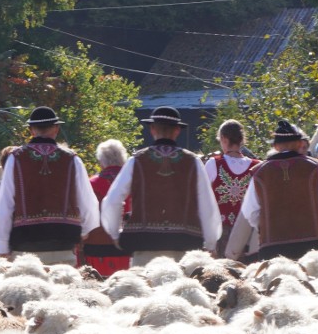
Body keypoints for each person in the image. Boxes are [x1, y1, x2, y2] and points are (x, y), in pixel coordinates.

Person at [101, 106, 221, 266]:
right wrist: (211, 243)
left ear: (152, 129)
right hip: (184, 249)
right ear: (177, 130)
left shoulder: (136, 161)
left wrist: (115, 233)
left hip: (144, 246)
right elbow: (207, 206)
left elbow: (113, 201)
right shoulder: (193, 162)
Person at [0, 106, 99, 265]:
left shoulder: (16, 158)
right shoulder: (72, 159)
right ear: (56, 129)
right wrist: (82, 232)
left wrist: (1, 245)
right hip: (63, 244)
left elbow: (4, 204)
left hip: (25, 249)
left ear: (31, 130)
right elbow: (89, 203)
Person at [240, 120, 318, 260]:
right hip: (315, 249)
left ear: (276, 146)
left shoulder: (260, 172)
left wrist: (267, 227)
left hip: (274, 250)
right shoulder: (315, 168)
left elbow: (250, 212)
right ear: (299, 143)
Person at [205, 120, 260, 257]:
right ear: (241, 140)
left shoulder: (213, 164)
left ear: (223, 138)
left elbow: (204, 200)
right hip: (248, 233)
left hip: (219, 233)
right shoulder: (257, 166)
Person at [83, 139, 132, 276]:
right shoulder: (135, 182)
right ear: (123, 159)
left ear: (101, 161)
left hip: (96, 250)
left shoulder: (91, 184)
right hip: (129, 247)